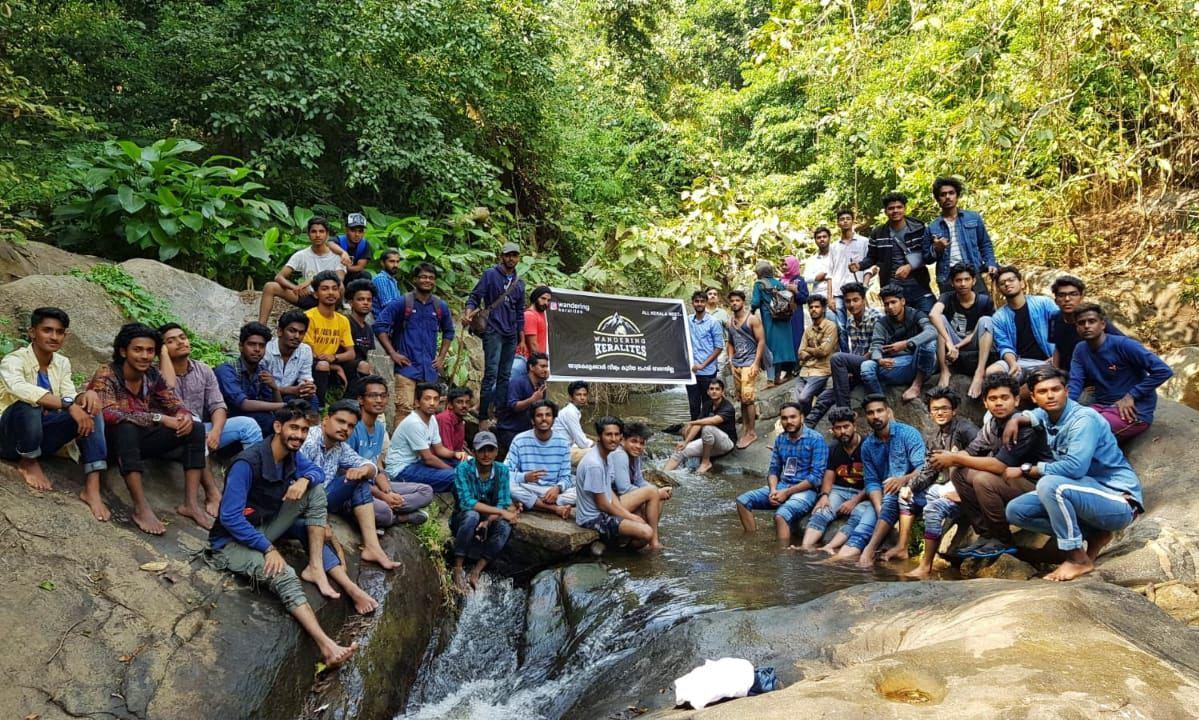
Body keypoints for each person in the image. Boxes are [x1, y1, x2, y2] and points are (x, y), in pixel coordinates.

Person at [208, 401, 363, 668]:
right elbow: (230, 517)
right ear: (278, 427)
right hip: (231, 542)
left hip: (266, 525)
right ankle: (327, 647)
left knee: (314, 491)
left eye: (304, 430)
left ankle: (316, 566)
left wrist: (304, 480)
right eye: (293, 428)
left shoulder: (292, 455)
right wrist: (268, 548)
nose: (299, 435)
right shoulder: (247, 462)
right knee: (284, 573)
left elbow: (314, 472)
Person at [1004, 365, 1144, 581]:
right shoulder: (1048, 413)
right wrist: (1015, 419)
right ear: (1033, 396)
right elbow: (1035, 416)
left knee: (1049, 484)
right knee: (1016, 511)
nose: (1050, 395)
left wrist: (1028, 469)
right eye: (1042, 392)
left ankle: (1077, 558)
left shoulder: (1083, 420)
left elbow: (1074, 468)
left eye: (1056, 389)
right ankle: (1095, 534)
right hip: (1084, 491)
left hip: (1117, 499)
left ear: (1067, 391)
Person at [85, 323, 208, 534]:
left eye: (150, 351)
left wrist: (183, 415)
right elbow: (109, 413)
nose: (144, 356)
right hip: (111, 444)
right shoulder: (107, 374)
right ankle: (141, 507)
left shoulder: (151, 374)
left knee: (195, 428)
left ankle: (191, 504)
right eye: (138, 350)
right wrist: (159, 417)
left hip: (141, 440)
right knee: (126, 427)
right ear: (123, 351)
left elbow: (172, 401)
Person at [924, 372, 1051, 560]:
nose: (998, 403)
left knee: (983, 479)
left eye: (1004, 397)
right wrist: (949, 458)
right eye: (992, 398)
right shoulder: (992, 424)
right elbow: (972, 450)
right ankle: (986, 534)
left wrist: (954, 458)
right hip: (1011, 483)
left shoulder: (1023, 427)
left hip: (1037, 486)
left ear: (1016, 400)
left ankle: (1003, 539)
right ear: (985, 403)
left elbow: (1000, 466)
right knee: (958, 472)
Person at [0, 307, 106, 494]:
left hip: (43, 438)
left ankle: (92, 486)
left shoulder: (62, 362)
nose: (54, 337)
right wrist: (68, 405)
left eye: (59, 332)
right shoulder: (13, 360)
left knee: (91, 409)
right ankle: (29, 462)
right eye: (47, 330)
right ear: (32, 332)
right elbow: (19, 388)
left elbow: (68, 393)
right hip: (9, 437)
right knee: (29, 404)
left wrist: (83, 396)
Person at [159, 323, 259, 514]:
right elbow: (165, 394)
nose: (180, 342)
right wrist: (162, 355)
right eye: (171, 341)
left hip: (200, 431)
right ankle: (212, 493)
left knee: (249, 425)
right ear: (162, 349)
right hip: (171, 434)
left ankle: (253, 489)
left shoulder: (203, 369)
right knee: (194, 422)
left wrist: (216, 431)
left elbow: (218, 405)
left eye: (182, 337)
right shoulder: (156, 374)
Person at [298, 400, 399, 569]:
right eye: (340, 421)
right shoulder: (309, 441)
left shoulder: (340, 447)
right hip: (303, 502)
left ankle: (373, 547)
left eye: (351, 426)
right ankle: (373, 545)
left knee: (360, 478)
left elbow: (371, 467)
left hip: (324, 497)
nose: (345, 428)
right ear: (325, 420)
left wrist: (363, 470)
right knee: (360, 485)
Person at [901, 387, 979, 578]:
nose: (940, 412)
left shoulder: (966, 429)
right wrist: (910, 487)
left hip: (968, 492)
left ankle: (925, 566)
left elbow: (986, 460)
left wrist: (964, 491)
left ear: (954, 410)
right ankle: (901, 548)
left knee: (933, 509)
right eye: (935, 409)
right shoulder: (934, 436)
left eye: (945, 408)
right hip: (946, 488)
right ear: (930, 412)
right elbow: (928, 471)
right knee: (904, 496)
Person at [1069, 303, 1172, 441]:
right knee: (1066, 426)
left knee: (1085, 431)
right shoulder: (1080, 349)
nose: (1086, 326)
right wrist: (1063, 408)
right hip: (1101, 406)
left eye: (1092, 321)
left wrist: (1131, 395)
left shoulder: (1124, 345)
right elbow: (1075, 382)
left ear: (1103, 324)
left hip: (1133, 411)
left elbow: (1163, 370)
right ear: (1077, 328)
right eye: (1081, 323)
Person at [734, 402, 828, 544]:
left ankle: (783, 555)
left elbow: (816, 478)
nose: (789, 421)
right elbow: (774, 470)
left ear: (801, 418)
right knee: (743, 501)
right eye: (784, 418)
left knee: (781, 515)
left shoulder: (816, 439)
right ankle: (751, 542)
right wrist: (773, 490)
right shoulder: (781, 439)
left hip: (806, 490)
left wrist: (787, 492)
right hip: (782, 486)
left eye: (793, 417)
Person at [374, 263, 455, 422]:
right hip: (406, 370)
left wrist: (441, 357)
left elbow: (449, 331)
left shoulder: (439, 306)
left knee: (427, 414)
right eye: (423, 277)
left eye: (431, 278)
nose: (427, 281)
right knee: (404, 412)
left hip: (429, 372)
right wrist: (393, 353)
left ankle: (423, 447)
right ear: (415, 280)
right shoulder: (402, 303)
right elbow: (380, 325)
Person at [348, 376, 433, 526]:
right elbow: (348, 476)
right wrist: (383, 495)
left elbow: (377, 467)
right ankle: (400, 517)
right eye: (373, 396)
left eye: (383, 396)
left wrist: (388, 493)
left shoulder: (379, 428)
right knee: (384, 511)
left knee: (426, 491)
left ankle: (391, 508)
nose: (379, 400)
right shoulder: (352, 428)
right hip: (354, 487)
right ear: (361, 400)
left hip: (374, 481)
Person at [854, 394, 926, 568]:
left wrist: (904, 479)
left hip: (916, 488)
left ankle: (870, 550)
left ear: (888, 412)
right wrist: (880, 508)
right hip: (887, 497)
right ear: (866, 417)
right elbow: (871, 481)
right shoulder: (867, 446)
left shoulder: (908, 434)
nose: (876, 416)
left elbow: (922, 469)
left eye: (879, 411)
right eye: (870, 413)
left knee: (894, 495)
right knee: (865, 516)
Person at [793, 407, 874, 556]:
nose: (843, 431)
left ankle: (830, 546)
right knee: (821, 512)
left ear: (854, 426)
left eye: (846, 426)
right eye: (838, 428)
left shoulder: (868, 446)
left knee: (857, 516)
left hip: (865, 492)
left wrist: (854, 501)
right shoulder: (833, 449)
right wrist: (824, 495)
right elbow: (829, 475)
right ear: (832, 430)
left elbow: (874, 481)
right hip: (840, 489)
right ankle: (805, 547)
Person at [464, 242, 525, 425]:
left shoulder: (519, 283)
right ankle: (482, 415)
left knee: (505, 375)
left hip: (511, 333)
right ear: (502, 256)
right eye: (508, 255)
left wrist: (521, 337)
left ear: (518, 258)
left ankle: (498, 414)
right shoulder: (490, 275)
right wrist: (468, 312)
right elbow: (475, 296)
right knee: (491, 373)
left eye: (514, 255)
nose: (511, 259)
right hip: (493, 329)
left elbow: (520, 311)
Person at [807, 282, 882, 427]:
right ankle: (806, 427)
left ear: (863, 299)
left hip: (874, 364)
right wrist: (849, 369)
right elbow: (855, 350)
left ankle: (844, 413)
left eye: (855, 300)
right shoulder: (850, 321)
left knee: (838, 358)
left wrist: (850, 366)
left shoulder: (875, 317)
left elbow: (877, 349)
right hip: (859, 365)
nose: (852, 304)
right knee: (826, 395)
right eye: (848, 301)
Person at [452, 431, 518, 592]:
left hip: (489, 519)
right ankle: (458, 567)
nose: (486, 454)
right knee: (472, 516)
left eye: (490, 449)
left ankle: (477, 569)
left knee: (505, 527)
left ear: (496, 452)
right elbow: (467, 502)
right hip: (463, 519)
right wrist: (501, 512)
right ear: (473, 452)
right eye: (481, 450)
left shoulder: (502, 470)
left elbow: (503, 501)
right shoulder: (463, 469)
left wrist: (489, 520)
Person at [574, 417, 654, 546]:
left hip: (603, 511)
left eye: (617, 434)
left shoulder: (606, 456)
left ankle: (622, 547)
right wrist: (630, 517)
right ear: (599, 436)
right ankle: (620, 551)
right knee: (647, 532)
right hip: (592, 518)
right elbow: (603, 505)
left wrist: (627, 514)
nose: (613, 439)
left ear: (621, 437)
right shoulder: (594, 464)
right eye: (608, 434)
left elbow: (609, 491)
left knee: (641, 518)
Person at [851, 192, 935, 314]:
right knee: (900, 324)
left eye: (899, 207)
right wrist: (859, 266)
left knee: (930, 316)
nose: (895, 211)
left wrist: (910, 266)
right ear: (885, 211)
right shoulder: (878, 233)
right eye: (891, 208)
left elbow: (928, 254)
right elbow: (872, 257)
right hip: (892, 288)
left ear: (905, 209)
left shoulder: (919, 228)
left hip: (919, 285)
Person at [257, 217, 346, 324]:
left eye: (321, 231)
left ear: (327, 234)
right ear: (308, 235)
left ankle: (332, 314)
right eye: (314, 231)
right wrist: (295, 288)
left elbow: (339, 278)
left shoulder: (337, 255)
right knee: (270, 287)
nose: (317, 235)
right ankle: (261, 326)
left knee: (340, 286)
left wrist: (312, 280)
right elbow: (279, 277)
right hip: (308, 297)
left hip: (329, 298)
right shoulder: (302, 255)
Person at [860, 284, 937, 403]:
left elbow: (931, 331)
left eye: (893, 302)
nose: (890, 307)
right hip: (896, 364)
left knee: (929, 343)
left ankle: (916, 385)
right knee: (866, 366)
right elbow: (875, 346)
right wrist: (879, 360)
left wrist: (907, 343)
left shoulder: (916, 315)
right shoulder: (882, 323)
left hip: (920, 362)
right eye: (886, 304)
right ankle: (881, 403)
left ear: (903, 301)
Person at [929, 262, 996, 398]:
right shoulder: (947, 297)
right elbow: (932, 314)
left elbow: (980, 331)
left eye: (967, 279)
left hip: (974, 342)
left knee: (986, 321)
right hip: (953, 341)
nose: (963, 284)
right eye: (958, 280)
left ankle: (979, 372)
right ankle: (944, 371)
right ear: (953, 283)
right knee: (939, 319)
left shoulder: (984, 301)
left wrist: (957, 346)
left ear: (974, 281)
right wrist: (949, 343)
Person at [506, 400, 576, 519]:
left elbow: (566, 477)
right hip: (528, 487)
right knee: (508, 486)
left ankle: (531, 504)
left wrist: (557, 488)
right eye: (539, 415)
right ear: (533, 420)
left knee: (582, 491)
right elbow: (505, 472)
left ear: (553, 419)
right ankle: (554, 508)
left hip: (552, 491)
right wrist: (524, 477)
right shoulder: (519, 440)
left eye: (548, 415)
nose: (544, 419)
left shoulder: (563, 443)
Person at [927, 177, 997, 293]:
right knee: (952, 311)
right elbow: (926, 258)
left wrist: (991, 262)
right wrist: (936, 248)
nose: (947, 197)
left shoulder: (973, 218)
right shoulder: (932, 227)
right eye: (943, 194)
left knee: (983, 307)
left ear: (957, 196)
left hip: (972, 272)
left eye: (951, 193)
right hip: (947, 277)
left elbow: (985, 243)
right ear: (938, 199)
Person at [989, 265, 1058, 380]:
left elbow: (1061, 330)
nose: (1007, 284)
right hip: (1023, 363)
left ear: (1022, 283)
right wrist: (1012, 364)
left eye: (1011, 280)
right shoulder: (998, 317)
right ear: (999, 289)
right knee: (993, 371)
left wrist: (1056, 357)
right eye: (1002, 283)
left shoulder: (1043, 303)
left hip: (1051, 359)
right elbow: (1005, 346)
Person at [385, 383, 457, 492]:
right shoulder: (414, 423)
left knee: (465, 465)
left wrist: (455, 454)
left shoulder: (432, 419)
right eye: (427, 399)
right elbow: (428, 459)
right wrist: (452, 470)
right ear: (417, 402)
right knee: (457, 476)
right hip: (401, 470)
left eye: (436, 399)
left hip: (417, 463)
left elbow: (439, 449)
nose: (432, 403)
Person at [611, 422, 670, 551]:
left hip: (621, 499)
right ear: (623, 441)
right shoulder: (619, 455)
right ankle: (653, 542)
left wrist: (657, 491)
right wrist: (654, 492)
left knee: (657, 497)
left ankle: (642, 539)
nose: (638, 446)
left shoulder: (635, 455)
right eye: (634, 441)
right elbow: (624, 488)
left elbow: (639, 480)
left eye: (642, 443)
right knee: (653, 493)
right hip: (609, 502)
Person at [1048, 275, 1123, 370]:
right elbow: (1058, 347)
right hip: (1067, 371)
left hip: (1094, 372)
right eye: (1061, 295)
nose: (1067, 299)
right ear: (1055, 300)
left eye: (1073, 294)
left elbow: (1123, 344)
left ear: (1081, 297)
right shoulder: (1054, 318)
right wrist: (1055, 371)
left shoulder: (1093, 321)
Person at [303, 270, 356, 405]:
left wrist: (335, 358)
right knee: (323, 365)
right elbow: (308, 352)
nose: (331, 293)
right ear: (316, 294)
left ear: (339, 293)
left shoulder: (342, 320)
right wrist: (335, 367)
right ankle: (320, 407)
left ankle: (350, 405)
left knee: (363, 367)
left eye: (334, 289)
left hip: (331, 361)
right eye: (325, 289)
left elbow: (351, 353)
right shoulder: (308, 317)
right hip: (311, 364)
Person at [664, 378, 737, 474]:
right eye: (711, 389)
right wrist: (685, 442)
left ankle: (705, 462)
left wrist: (691, 423)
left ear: (722, 391)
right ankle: (664, 474)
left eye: (717, 389)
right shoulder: (707, 405)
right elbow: (698, 424)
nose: (714, 391)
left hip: (726, 443)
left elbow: (713, 420)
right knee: (681, 450)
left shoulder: (728, 407)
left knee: (707, 427)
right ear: (708, 392)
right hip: (709, 442)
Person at [724, 289, 765, 448]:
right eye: (732, 301)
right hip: (737, 363)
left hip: (749, 363)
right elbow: (730, 342)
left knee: (748, 398)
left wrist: (756, 363)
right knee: (741, 398)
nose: (734, 303)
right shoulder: (729, 322)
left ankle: (752, 432)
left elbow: (761, 341)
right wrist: (730, 361)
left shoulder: (752, 319)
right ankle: (745, 428)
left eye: (737, 300)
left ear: (743, 302)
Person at [755, 261, 803, 386]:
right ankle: (779, 376)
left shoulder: (759, 284)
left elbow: (755, 302)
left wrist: (749, 313)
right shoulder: (779, 283)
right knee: (784, 347)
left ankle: (771, 379)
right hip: (784, 319)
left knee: (771, 348)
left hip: (769, 318)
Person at [262, 310, 318, 413]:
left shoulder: (305, 350)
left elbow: (305, 377)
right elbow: (261, 387)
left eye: (301, 333)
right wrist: (289, 390)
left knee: (311, 398)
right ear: (280, 331)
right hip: (266, 396)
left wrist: (307, 387)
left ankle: (311, 427)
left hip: (290, 395)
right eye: (292, 331)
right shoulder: (266, 350)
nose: (297, 336)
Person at [495, 352, 549, 454]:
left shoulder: (541, 385)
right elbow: (513, 406)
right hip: (510, 430)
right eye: (542, 366)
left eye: (546, 366)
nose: (545, 369)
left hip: (528, 431)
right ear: (531, 367)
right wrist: (532, 400)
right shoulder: (517, 382)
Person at [795, 295, 838, 414]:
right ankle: (806, 425)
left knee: (803, 398)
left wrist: (807, 349)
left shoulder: (831, 326)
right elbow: (800, 353)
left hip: (821, 371)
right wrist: (813, 351)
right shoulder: (808, 330)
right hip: (805, 371)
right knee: (798, 404)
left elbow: (823, 351)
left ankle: (808, 422)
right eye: (811, 307)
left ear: (823, 309)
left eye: (817, 307)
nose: (813, 309)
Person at [685, 289, 725, 420]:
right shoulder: (688, 321)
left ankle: (706, 434)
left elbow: (719, 347)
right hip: (691, 372)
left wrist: (703, 365)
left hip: (707, 372)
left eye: (702, 301)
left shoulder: (713, 322)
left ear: (706, 303)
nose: (699, 304)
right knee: (693, 405)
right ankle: (695, 434)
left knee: (707, 405)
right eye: (697, 301)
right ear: (692, 303)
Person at [828, 208, 872, 314]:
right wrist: (830, 297)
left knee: (859, 323)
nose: (845, 221)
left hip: (858, 291)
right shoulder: (833, 246)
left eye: (848, 218)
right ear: (838, 223)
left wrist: (864, 288)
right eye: (842, 219)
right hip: (838, 292)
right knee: (841, 327)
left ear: (853, 221)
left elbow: (869, 266)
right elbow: (830, 273)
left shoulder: (864, 242)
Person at [781, 256, 810, 375]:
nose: (782, 267)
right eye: (782, 264)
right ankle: (787, 369)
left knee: (796, 338)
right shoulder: (780, 280)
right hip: (782, 317)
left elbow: (805, 298)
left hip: (795, 316)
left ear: (792, 265)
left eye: (785, 264)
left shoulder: (800, 280)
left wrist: (796, 291)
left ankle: (798, 365)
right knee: (785, 341)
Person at [553, 380, 594, 464]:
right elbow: (582, 443)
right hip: (560, 453)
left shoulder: (574, 411)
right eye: (578, 395)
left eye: (585, 395)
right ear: (571, 397)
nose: (582, 398)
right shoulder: (570, 412)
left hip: (567, 447)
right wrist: (597, 445)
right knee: (597, 453)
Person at [343, 279, 376, 380]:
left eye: (369, 300)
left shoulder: (369, 328)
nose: (365, 303)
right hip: (346, 366)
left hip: (363, 370)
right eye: (361, 299)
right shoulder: (345, 322)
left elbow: (370, 355)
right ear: (351, 302)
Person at [332, 212, 372, 284]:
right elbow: (329, 243)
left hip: (351, 275)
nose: (357, 234)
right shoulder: (339, 240)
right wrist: (343, 252)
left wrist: (344, 268)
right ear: (346, 229)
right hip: (333, 274)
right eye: (353, 230)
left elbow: (360, 267)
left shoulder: (364, 245)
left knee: (366, 275)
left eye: (360, 231)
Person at [436, 386, 474, 457]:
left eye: (467, 402)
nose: (464, 406)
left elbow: (458, 449)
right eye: (459, 402)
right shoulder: (444, 419)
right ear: (450, 405)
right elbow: (448, 451)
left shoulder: (461, 421)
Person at [516, 285, 552, 362]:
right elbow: (533, 344)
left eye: (548, 300)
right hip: (528, 363)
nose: (546, 303)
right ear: (535, 298)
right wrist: (539, 363)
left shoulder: (541, 314)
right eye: (543, 298)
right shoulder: (530, 315)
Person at [803, 227, 833, 299]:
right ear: (815, 240)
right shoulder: (811, 260)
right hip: (817, 296)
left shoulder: (837, 256)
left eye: (824, 237)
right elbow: (806, 278)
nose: (822, 239)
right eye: (819, 237)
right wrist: (816, 277)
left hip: (835, 295)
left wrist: (827, 275)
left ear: (829, 238)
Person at [371, 250, 402, 317]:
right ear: (382, 263)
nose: (395, 265)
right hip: (383, 322)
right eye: (392, 261)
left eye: (397, 262)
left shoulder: (392, 280)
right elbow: (388, 306)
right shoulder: (381, 279)